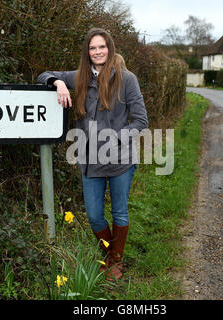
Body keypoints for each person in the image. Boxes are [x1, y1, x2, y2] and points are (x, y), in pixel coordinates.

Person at [37, 28, 148, 281]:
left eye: (102, 47)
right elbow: (44, 74)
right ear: (87, 52)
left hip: (120, 159)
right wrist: (58, 84)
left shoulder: (126, 79)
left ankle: (115, 262)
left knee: (119, 212)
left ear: (110, 48)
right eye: (92, 48)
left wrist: (116, 138)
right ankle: (111, 254)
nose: (98, 52)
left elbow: (141, 121)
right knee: (95, 215)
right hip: (90, 160)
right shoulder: (80, 77)